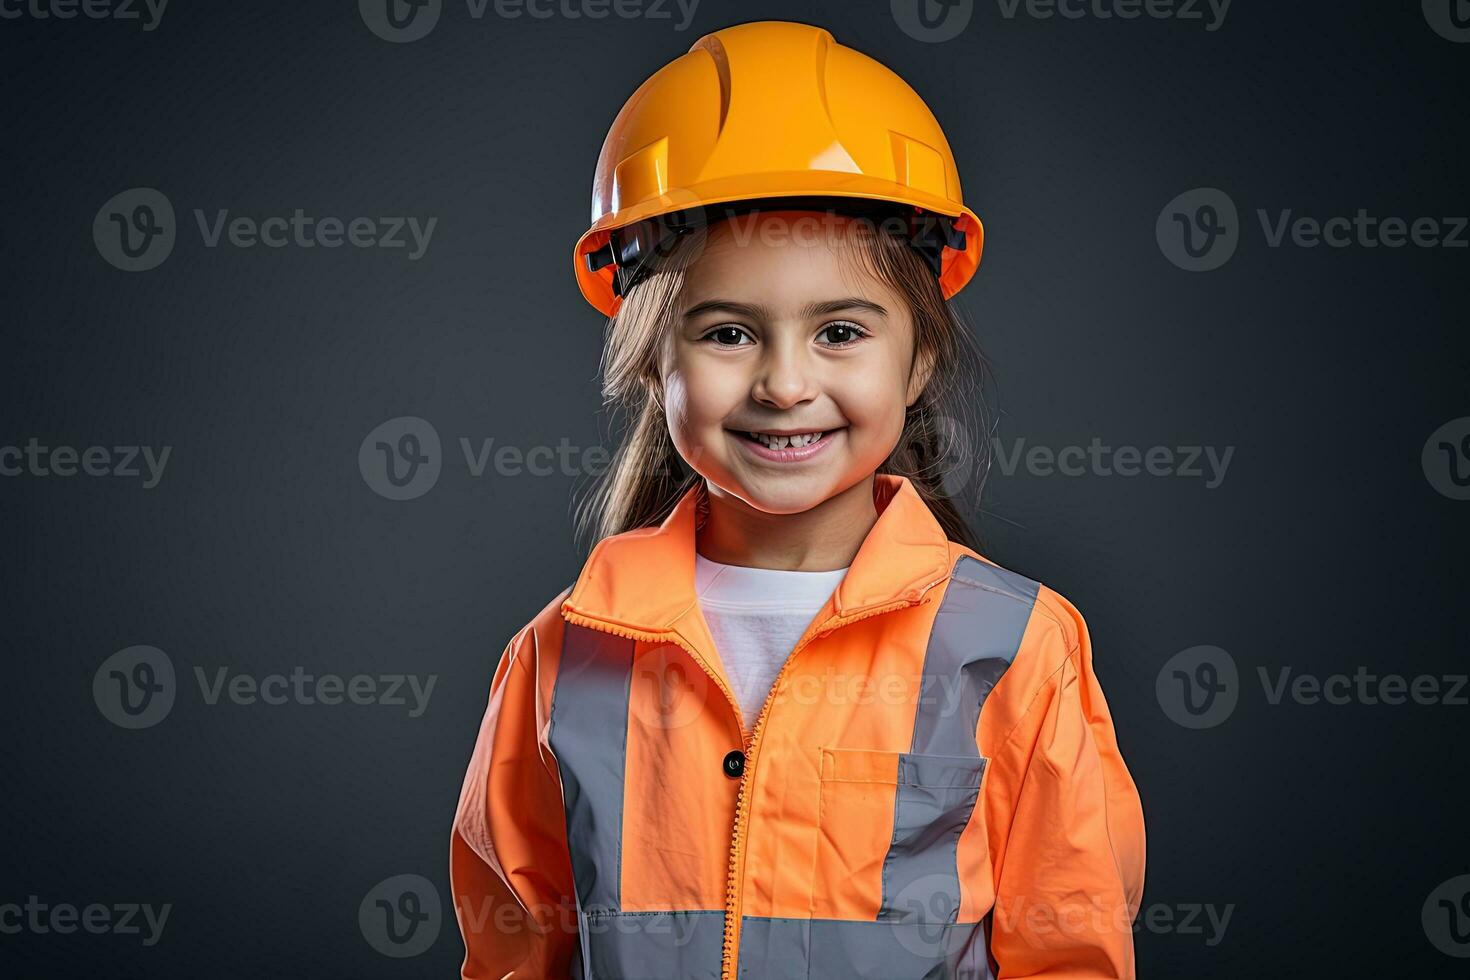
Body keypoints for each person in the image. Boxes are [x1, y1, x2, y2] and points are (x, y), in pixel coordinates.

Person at [450, 19, 1145, 979]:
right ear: (654, 367)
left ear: (919, 360)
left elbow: (1071, 955)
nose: (784, 384)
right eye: (729, 334)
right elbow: (515, 956)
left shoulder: (1018, 647)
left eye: (841, 332)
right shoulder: (560, 659)